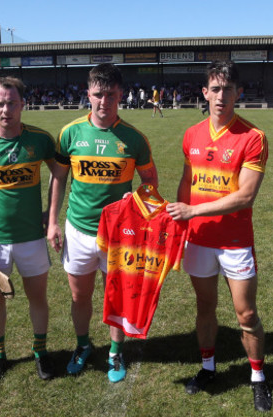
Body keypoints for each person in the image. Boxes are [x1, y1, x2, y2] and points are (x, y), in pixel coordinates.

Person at [166, 60, 273, 412]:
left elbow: (245, 195)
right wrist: (181, 219)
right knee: (205, 307)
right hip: (197, 240)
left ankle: (258, 376)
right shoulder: (191, 135)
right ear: (205, 93)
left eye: (228, 89)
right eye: (215, 89)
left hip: (234, 241)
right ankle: (208, 367)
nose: (221, 96)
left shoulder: (253, 137)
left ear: (238, 93)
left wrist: (193, 211)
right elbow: (187, 181)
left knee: (246, 313)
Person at [47, 63, 158, 383]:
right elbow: (58, 180)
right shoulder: (70, 133)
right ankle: (83, 346)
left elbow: (149, 181)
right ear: (88, 94)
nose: (104, 101)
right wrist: (52, 222)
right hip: (78, 231)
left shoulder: (134, 139)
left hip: (119, 236)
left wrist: (142, 215)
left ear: (120, 95)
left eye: (110, 95)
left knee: (117, 298)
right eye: (98, 94)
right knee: (79, 297)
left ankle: (114, 351)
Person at [0, 76, 60, 383]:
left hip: (31, 237)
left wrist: (52, 214)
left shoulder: (40, 140)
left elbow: (60, 174)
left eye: (12, 103)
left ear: (23, 104)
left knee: (37, 298)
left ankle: (41, 352)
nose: (6, 110)